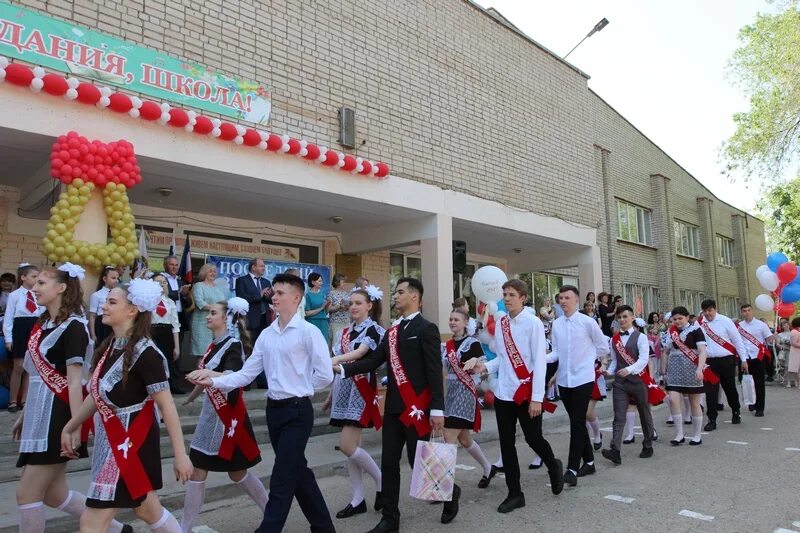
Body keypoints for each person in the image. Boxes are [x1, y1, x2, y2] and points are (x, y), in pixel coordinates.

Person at [188, 273, 335, 533]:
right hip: (274, 412)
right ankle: (323, 527)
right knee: (298, 471)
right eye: (273, 292)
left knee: (281, 476)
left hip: (297, 412)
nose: (273, 297)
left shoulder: (308, 332)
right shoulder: (267, 334)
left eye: (279, 293)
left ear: (296, 297)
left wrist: (301, 390)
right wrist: (213, 382)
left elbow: (325, 374)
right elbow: (246, 374)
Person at [60, 279, 191, 532]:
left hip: (130, 442)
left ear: (132, 310)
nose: (104, 307)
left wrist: (181, 455)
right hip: (109, 440)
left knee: (91, 520)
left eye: (112, 302)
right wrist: (70, 426)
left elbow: (167, 407)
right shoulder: (110, 346)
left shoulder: (147, 353)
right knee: (146, 509)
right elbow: (97, 396)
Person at [12, 264, 131, 533]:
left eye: (42, 283)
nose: (35, 287)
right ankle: (118, 530)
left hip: (60, 414)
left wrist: (75, 424)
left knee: (26, 493)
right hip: (38, 413)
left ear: (61, 288)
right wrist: (23, 414)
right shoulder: (42, 324)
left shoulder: (74, 327)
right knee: (54, 494)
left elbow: (76, 380)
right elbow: (36, 375)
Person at [334, 277, 444, 532]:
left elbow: (433, 370)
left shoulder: (427, 328)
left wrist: (438, 408)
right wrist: (341, 369)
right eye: (395, 292)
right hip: (394, 408)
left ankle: (452, 493)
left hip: (416, 409)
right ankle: (390, 519)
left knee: (420, 463)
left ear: (415, 297)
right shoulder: (392, 332)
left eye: (400, 292)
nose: (395, 296)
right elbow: (372, 362)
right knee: (389, 463)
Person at [474, 279, 563, 514]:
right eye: (505, 294)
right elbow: (502, 358)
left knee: (534, 438)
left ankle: (553, 465)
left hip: (526, 392)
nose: (507, 298)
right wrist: (484, 368)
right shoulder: (502, 323)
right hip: (504, 393)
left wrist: (537, 397)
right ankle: (515, 494)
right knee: (507, 443)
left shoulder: (533, 323)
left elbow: (540, 361)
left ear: (523, 298)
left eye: (512, 294)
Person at [180, 298, 267, 532]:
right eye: (208, 313)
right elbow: (205, 378)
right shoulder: (212, 346)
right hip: (210, 416)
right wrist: (190, 397)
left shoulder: (233, 346)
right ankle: (184, 527)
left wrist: (206, 372)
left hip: (228, 417)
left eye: (213, 313)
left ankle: (271, 513)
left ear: (226, 319)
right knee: (198, 471)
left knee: (237, 474)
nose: (208, 316)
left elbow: (229, 377)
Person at [324, 286, 385, 519]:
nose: (353, 307)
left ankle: (380, 480)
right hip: (342, 388)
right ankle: (357, 499)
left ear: (369, 305)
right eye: (351, 303)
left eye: (358, 303)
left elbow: (361, 353)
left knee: (347, 446)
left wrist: (335, 359)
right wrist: (331, 393)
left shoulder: (375, 329)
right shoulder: (344, 331)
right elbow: (338, 369)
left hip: (360, 388)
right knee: (352, 449)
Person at [547, 285, 609, 487]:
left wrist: (588, 361)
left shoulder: (587, 322)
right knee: (577, 421)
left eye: (567, 297)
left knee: (576, 422)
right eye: (560, 298)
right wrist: (540, 360)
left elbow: (602, 346)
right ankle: (589, 461)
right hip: (564, 381)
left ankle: (572, 468)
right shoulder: (556, 324)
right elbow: (556, 352)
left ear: (576, 300)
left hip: (583, 379)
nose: (563, 301)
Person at [441, 309, 493, 490]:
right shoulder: (445, 346)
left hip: (465, 393)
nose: (452, 322)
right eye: (450, 319)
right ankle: (488, 467)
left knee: (448, 435)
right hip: (451, 393)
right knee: (463, 438)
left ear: (465, 323)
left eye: (456, 319)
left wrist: (475, 365)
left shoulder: (473, 344)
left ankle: (444, 486)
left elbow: (483, 369)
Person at [601, 305, 655, 464]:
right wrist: (608, 371)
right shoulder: (614, 339)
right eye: (619, 318)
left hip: (638, 380)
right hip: (621, 383)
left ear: (632, 318)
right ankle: (615, 450)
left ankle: (648, 444)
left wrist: (629, 370)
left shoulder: (641, 337)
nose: (622, 320)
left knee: (644, 413)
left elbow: (644, 359)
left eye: (625, 316)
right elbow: (615, 361)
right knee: (618, 416)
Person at [696, 299, 747, 431]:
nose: (707, 314)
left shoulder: (725, 321)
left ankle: (736, 411)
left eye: (710, 311)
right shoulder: (699, 323)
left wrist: (744, 359)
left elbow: (737, 341)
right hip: (709, 362)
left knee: (729, 387)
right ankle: (712, 419)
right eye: (705, 311)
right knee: (711, 391)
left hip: (726, 359)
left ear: (715, 309)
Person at [662, 306, 708, 445]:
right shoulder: (671, 332)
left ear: (687, 317)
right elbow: (665, 351)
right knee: (673, 400)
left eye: (680, 318)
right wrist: (663, 371)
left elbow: (702, 351)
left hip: (691, 368)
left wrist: (700, 369)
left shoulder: (696, 330)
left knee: (694, 402)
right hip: (674, 369)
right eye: (674, 319)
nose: (677, 321)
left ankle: (697, 435)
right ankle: (679, 434)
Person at [3, 263, 43, 413]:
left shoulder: (39, 294)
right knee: (18, 366)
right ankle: (13, 400)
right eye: (34, 277)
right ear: (23, 278)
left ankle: (25, 400)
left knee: (30, 366)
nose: (37, 280)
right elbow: (8, 319)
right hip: (20, 328)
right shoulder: (14, 296)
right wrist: (8, 339)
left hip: (35, 327)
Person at [737, 304, 776, 417]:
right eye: (744, 311)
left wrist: (773, 336)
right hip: (745, 357)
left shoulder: (761, 325)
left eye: (749, 310)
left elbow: (768, 339)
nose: (747, 313)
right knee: (745, 381)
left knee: (759, 383)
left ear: (752, 311)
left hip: (758, 357)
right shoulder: (739, 326)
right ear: (741, 313)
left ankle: (760, 408)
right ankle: (751, 401)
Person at [151, 274, 184, 395]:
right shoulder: (147, 300)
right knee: (153, 360)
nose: (161, 284)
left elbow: (175, 325)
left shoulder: (170, 302)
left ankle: (168, 387)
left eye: (164, 282)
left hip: (167, 333)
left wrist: (177, 346)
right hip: (152, 332)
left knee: (167, 361)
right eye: (158, 282)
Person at [190, 264, 229, 367]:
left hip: (217, 323)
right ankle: (199, 380)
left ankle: (210, 378)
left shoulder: (218, 288)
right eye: (210, 271)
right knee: (202, 353)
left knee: (215, 352)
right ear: (204, 272)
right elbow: (200, 304)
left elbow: (223, 302)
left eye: (214, 271)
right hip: (202, 324)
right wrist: (217, 309)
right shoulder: (199, 286)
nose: (213, 273)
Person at [234, 258, 273, 346]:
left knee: (263, 346)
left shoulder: (266, 282)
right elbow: (241, 299)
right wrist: (260, 295)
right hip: (250, 320)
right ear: (253, 267)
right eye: (261, 266)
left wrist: (269, 296)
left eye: (264, 266)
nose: (264, 268)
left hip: (265, 320)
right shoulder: (242, 281)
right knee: (250, 347)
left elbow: (270, 301)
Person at [88, 266, 120, 349]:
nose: (116, 280)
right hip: (101, 326)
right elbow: (92, 316)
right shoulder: (96, 295)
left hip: (114, 325)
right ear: (105, 279)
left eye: (117, 278)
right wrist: (93, 334)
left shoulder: (119, 296)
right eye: (113, 278)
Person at [162, 255, 191, 342]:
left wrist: (185, 295)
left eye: (176, 265)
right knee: (168, 344)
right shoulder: (161, 279)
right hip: (167, 316)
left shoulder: (180, 281)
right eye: (171, 264)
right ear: (165, 265)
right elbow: (164, 296)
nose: (174, 267)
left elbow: (188, 304)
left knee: (179, 344)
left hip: (180, 317)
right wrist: (178, 292)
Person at [304, 272, 330, 342]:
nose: (322, 283)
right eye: (319, 281)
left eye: (321, 281)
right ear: (313, 282)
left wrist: (327, 305)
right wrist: (321, 308)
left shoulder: (323, 295)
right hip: (312, 322)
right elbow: (307, 313)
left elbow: (326, 312)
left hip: (323, 322)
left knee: (323, 342)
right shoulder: (308, 295)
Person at [327, 273, 351, 345]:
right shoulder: (331, 294)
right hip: (336, 323)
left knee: (345, 343)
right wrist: (339, 307)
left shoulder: (346, 294)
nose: (345, 284)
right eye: (343, 282)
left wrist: (347, 307)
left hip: (346, 321)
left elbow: (349, 307)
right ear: (337, 282)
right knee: (336, 343)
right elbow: (328, 309)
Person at [787, 317, 800, 388]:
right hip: (796, 352)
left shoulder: (797, 331)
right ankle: (798, 384)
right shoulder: (794, 332)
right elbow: (793, 343)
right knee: (796, 368)